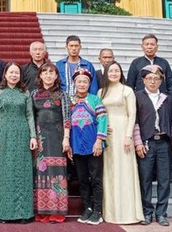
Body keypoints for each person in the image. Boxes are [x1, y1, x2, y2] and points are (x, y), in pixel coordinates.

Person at [0, 62, 37, 223]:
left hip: (22, 133)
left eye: (16, 73)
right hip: (4, 134)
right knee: (5, 172)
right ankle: (3, 213)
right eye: (11, 72)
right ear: (5, 74)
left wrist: (33, 136)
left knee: (23, 172)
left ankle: (24, 213)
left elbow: (30, 115)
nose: (14, 75)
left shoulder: (25, 93)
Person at [133, 65, 172, 227]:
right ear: (143, 80)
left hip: (164, 144)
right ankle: (147, 212)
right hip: (146, 143)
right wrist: (138, 143)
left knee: (164, 179)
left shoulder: (167, 99)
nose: (153, 81)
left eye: (156, 78)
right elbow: (135, 121)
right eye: (149, 78)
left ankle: (161, 213)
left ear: (161, 81)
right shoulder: (137, 97)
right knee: (145, 179)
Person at [99, 61, 144, 224]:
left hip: (123, 132)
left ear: (121, 73)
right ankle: (112, 213)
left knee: (124, 170)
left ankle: (128, 213)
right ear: (106, 73)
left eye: (116, 71)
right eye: (110, 71)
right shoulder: (101, 92)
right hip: (107, 134)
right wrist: (102, 129)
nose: (113, 73)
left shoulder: (127, 90)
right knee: (110, 170)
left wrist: (128, 136)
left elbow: (132, 115)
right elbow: (99, 113)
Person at [68, 68, 107, 225]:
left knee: (96, 179)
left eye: (85, 81)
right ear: (74, 83)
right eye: (79, 81)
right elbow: (66, 124)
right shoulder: (70, 101)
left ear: (89, 83)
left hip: (93, 146)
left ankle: (98, 210)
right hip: (77, 146)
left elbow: (103, 119)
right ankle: (87, 208)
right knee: (82, 179)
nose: (82, 84)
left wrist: (99, 141)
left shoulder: (95, 100)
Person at [32, 63, 70, 223]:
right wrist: (32, 137)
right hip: (40, 139)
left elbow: (67, 118)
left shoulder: (62, 94)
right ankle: (41, 211)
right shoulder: (33, 94)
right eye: (45, 72)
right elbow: (31, 117)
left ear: (56, 76)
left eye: (51, 73)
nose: (48, 75)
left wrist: (66, 138)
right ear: (40, 75)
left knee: (57, 172)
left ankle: (57, 211)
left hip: (57, 137)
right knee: (40, 174)